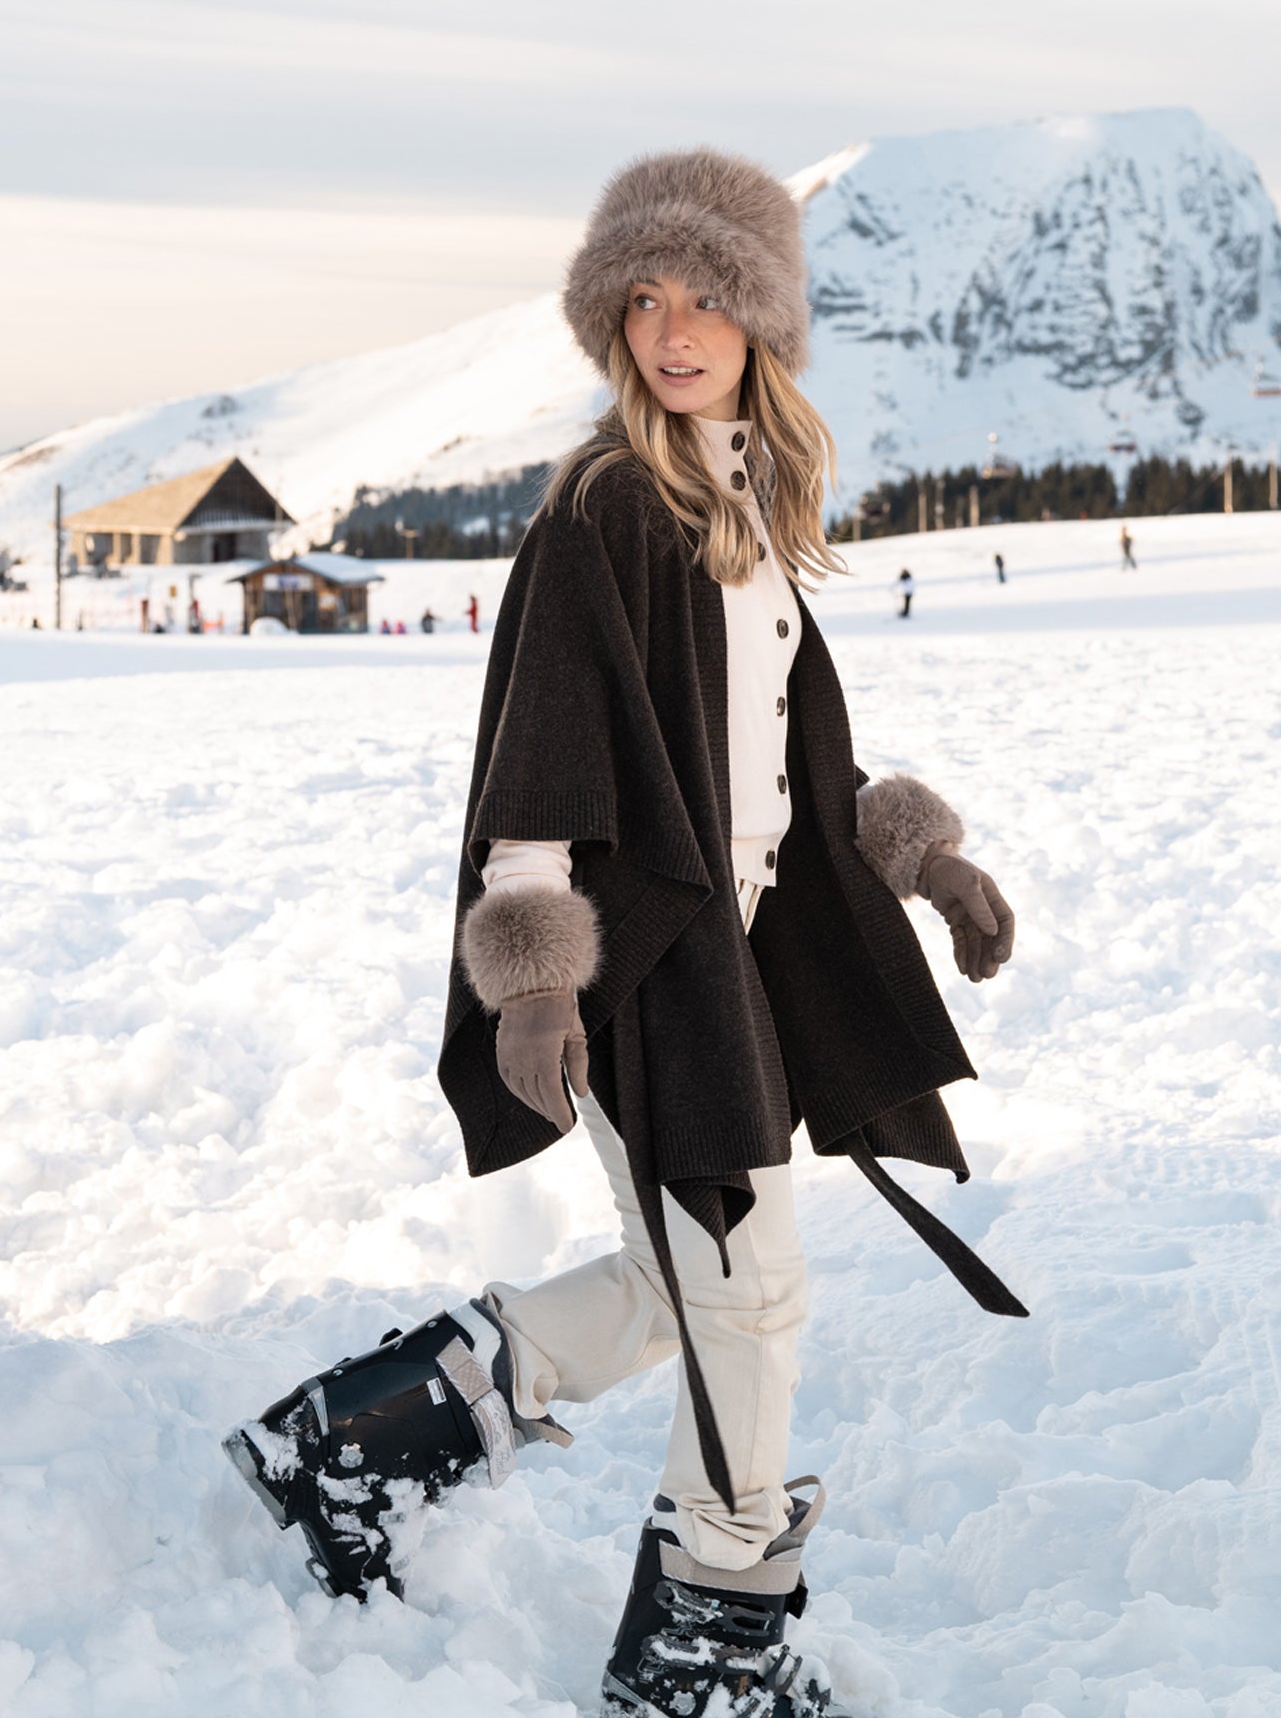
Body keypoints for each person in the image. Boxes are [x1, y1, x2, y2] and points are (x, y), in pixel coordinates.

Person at [223, 150, 1021, 1718]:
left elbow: (791, 765)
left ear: (759, 324)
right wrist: (533, 987)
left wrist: (922, 860)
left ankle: (360, 1439)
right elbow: (544, 761)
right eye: (644, 300)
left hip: (735, 953)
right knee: (748, 1288)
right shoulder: (607, 507)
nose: (673, 329)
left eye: (707, 298)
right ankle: (704, 1648)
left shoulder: (737, 502)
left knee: (684, 1286)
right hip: (644, 962)